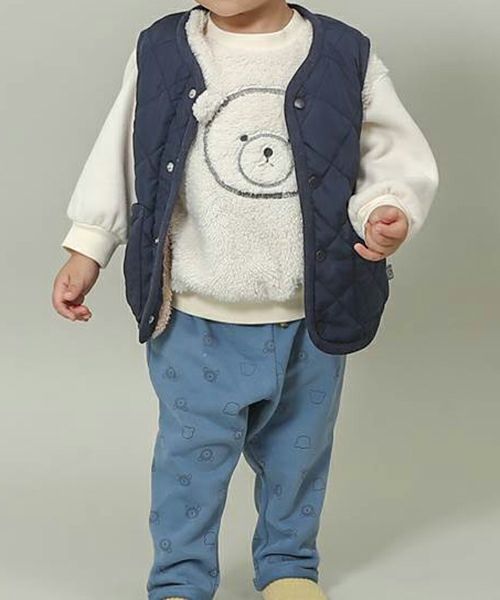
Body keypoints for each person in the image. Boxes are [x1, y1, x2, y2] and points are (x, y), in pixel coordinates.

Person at [52, 2, 439, 600]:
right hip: (195, 312)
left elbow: (388, 155)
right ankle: (180, 579)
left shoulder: (344, 53)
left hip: (310, 311)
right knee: (189, 462)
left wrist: (387, 209)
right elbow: (124, 154)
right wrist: (89, 245)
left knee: (297, 460)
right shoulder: (163, 49)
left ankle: (289, 565)